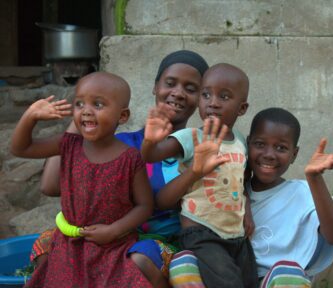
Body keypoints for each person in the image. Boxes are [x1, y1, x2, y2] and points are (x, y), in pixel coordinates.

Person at [31, 50, 210, 287]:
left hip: (160, 244)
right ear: (155, 87)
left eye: (190, 88)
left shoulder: (200, 153)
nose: (177, 92)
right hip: (106, 239)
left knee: (138, 258)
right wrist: (81, 116)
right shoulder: (120, 146)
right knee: (47, 243)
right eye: (170, 83)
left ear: (201, 98)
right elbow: (50, 186)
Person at [176, 107, 333, 288]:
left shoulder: (300, 192)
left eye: (281, 148)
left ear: (294, 154)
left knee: (288, 274)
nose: (269, 154)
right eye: (260, 144)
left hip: (274, 282)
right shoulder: (229, 191)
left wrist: (315, 178)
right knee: (183, 264)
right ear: (247, 144)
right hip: (224, 276)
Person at [10, 72, 154, 287]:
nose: (86, 111)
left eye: (98, 104)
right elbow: (21, 148)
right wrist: (30, 116)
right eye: (79, 104)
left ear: (122, 116)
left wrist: (114, 230)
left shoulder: (130, 158)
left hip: (113, 245)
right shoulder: (68, 145)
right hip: (69, 243)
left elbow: (145, 206)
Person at [141, 63, 259, 288]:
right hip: (200, 232)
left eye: (224, 97)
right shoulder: (191, 137)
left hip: (235, 234)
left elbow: (241, 181)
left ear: (242, 108)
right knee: (228, 283)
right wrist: (150, 140)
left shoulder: (241, 142)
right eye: (206, 95)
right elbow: (151, 156)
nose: (213, 103)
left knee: (249, 281)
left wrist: (248, 212)